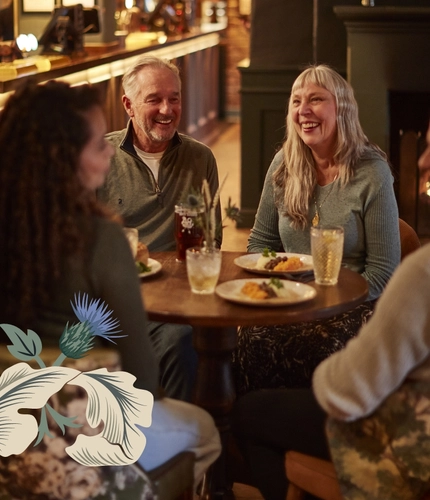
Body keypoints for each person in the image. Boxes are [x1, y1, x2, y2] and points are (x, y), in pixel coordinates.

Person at [0, 79, 221, 491]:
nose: (108, 154)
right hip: (80, 444)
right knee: (205, 430)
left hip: (7, 439)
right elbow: (143, 382)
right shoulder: (100, 241)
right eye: (97, 146)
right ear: (65, 158)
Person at [231, 121, 430, 500]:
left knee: (247, 412)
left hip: (404, 444)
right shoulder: (284, 163)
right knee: (256, 343)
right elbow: (260, 242)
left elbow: (346, 391)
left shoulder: (422, 273)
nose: (422, 161)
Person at [232, 64, 401, 395]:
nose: (303, 111)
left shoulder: (372, 172)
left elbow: (383, 272)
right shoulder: (284, 164)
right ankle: (253, 439)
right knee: (249, 339)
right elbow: (260, 243)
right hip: (289, 301)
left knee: (318, 347)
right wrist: (282, 292)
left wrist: (323, 303)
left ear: (343, 108)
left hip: (353, 307)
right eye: (296, 101)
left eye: (315, 99)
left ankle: (312, 437)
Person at [97, 55, 222, 402]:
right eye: (154, 99)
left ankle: (191, 436)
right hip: (113, 303)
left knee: (189, 342)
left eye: (175, 98)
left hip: (177, 301)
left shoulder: (201, 158)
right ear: (129, 105)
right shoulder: (98, 158)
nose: (167, 109)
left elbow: (212, 242)